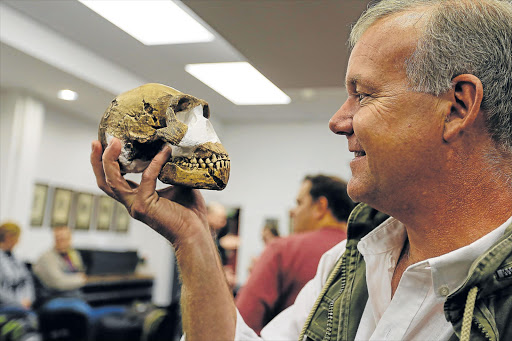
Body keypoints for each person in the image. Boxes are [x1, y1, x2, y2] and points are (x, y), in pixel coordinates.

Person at [90, 0, 512, 339]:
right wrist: (193, 235)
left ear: (458, 106)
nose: (338, 121)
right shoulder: (349, 265)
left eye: (362, 95)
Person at [235, 175, 354, 334]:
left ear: (320, 206)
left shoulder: (283, 249)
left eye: (299, 203)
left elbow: (243, 321)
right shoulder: (364, 253)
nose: (293, 212)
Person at [33, 226, 86, 301]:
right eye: (58, 239)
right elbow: (59, 283)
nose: (61, 242)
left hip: (73, 295)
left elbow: (80, 271)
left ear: (70, 239)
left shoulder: (73, 255)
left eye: (65, 239)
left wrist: (80, 278)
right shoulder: (47, 257)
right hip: (53, 297)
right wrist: (81, 280)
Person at [0, 222, 35, 309]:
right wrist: (17, 302)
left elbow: (26, 280)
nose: (18, 241)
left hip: (22, 304)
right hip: (5, 305)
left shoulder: (16, 259)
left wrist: (28, 299)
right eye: (17, 237)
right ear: (8, 237)